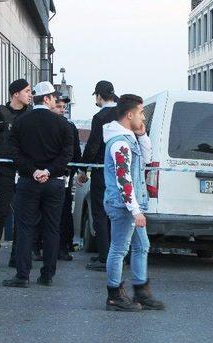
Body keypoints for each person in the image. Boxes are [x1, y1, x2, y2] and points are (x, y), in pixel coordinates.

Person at [3, 81, 74, 288]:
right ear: (46, 98)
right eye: (54, 97)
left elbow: (14, 152)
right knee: (52, 228)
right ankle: (47, 275)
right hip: (54, 183)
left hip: (27, 181)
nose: (56, 101)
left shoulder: (21, 122)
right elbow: (66, 155)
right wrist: (48, 171)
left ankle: (22, 275)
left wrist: (33, 170)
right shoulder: (63, 124)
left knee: (25, 228)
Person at [103, 94, 164, 311]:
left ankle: (141, 292)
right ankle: (114, 295)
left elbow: (146, 161)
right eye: (140, 113)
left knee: (142, 246)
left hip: (130, 205)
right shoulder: (120, 143)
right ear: (130, 114)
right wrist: (136, 210)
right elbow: (123, 179)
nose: (143, 117)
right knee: (119, 249)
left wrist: (143, 135)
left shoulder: (129, 139)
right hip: (123, 205)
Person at [0, 79, 31, 271]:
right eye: (26, 91)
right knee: (0, 213)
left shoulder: (31, 114)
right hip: (4, 171)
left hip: (25, 171)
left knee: (23, 215)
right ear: (15, 93)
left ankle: (16, 256)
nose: (29, 94)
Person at [79, 80, 119, 271]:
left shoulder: (100, 117)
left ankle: (105, 256)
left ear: (99, 96)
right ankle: (118, 254)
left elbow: (93, 145)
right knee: (118, 213)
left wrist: (82, 168)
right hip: (121, 170)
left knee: (101, 213)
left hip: (102, 170)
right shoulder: (122, 113)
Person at [54, 96, 81, 261]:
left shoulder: (70, 127)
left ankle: (64, 246)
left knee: (64, 210)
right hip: (47, 174)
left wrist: (76, 170)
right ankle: (38, 246)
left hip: (65, 174)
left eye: (64, 107)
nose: (62, 110)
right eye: (59, 106)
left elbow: (76, 152)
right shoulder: (43, 125)